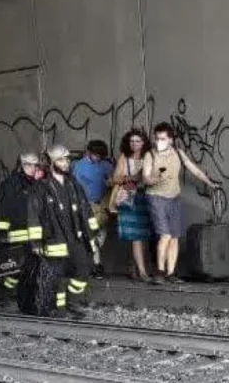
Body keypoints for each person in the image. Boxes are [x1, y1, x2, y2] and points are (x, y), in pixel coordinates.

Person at [27, 144, 98, 319]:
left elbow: (86, 210)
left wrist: (93, 235)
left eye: (66, 159)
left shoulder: (73, 184)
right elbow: (34, 215)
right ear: (50, 163)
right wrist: (35, 243)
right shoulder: (41, 187)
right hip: (54, 239)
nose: (65, 162)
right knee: (57, 276)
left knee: (83, 269)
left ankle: (72, 301)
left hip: (75, 238)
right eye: (60, 159)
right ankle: (58, 309)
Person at [143, 122, 218, 285]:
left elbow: (193, 169)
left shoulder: (178, 152)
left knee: (175, 237)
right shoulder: (150, 155)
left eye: (162, 138)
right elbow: (146, 178)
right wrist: (156, 178)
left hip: (174, 198)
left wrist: (209, 183)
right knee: (165, 235)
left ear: (170, 139)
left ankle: (171, 273)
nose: (158, 142)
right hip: (156, 197)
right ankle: (159, 272)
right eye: (157, 138)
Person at [0, 152, 41, 302]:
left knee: (34, 265)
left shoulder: (38, 183)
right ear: (21, 166)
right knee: (16, 268)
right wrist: (2, 232)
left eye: (34, 165)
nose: (32, 168)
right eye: (28, 164)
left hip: (34, 232)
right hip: (17, 231)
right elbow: (4, 208)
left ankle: (29, 295)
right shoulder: (11, 183)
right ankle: (5, 293)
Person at [111, 129, 153, 283]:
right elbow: (115, 178)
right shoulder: (125, 157)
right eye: (132, 141)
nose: (134, 144)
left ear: (144, 143)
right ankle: (142, 272)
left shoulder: (149, 157)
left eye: (138, 141)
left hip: (145, 197)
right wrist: (132, 177)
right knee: (136, 236)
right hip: (129, 198)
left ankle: (133, 266)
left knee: (143, 235)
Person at [72, 140, 113, 279]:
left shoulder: (106, 166)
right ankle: (95, 265)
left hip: (102, 206)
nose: (98, 158)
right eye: (96, 155)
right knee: (91, 237)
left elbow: (112, 184)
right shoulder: (79, 166)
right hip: (86, 205)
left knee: (100, 236)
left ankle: (94, 264)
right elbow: (74, 187)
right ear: (89, 152)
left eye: (101, 156)